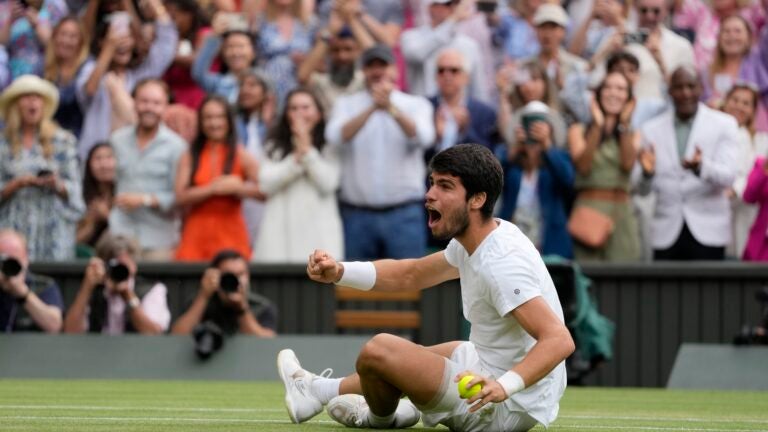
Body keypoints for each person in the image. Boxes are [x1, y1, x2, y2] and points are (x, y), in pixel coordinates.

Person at [277, 144, 574, 431]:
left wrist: (503, 386)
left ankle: (378, 419)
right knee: (437, 353)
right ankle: (315, 391)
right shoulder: (482, 238)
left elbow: (559, 340)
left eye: (445, 186)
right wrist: (340, 272)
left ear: (477, 200)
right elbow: (411, 275)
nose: (429, 195)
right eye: (432, 183)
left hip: (499, 406)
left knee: (379, 351)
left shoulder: (501, 265)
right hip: (493, 370)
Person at [325, 44, 435, 260]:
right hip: (357, 214)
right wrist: (373, 108)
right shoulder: (346, 104)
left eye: (382, 65)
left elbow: (424, 137)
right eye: (371, 66)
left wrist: (390, 109)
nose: (377, 71)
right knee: (355, 289)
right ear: (363, 71)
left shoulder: (415, 104)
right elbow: (335, 136)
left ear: (395, 70)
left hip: (404, 213)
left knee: (408, 286)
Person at [638, 66, 739, 261]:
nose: (685, 93)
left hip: (709, 232)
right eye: (679, 87)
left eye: (691, 86)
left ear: (701, 88)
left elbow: (729, 176)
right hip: (665, 234)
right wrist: (647, 174)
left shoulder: (724, 124)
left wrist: (701, 167)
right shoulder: (650, 129)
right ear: (669, 91)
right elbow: (642, 190)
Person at [77, 0, 178, 158]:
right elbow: (89, 90)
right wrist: (109, 48)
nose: (121, 42)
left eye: (127, 37)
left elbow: (166, 45)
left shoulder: (141, 74)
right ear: (101, 42)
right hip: (96, 158)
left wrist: (157, 9)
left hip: (131, 158)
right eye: (115, 37)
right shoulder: (91, 69)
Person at [0, 74, 84, 261]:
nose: (33, 102)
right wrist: (17, 184)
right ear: (16, 105)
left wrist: (56, 184)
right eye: (27, 97)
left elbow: (76, 192)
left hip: (52, 230)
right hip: (13, 226)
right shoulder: (2, 144)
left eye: (37, 97)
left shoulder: (63, 141)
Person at [254, 88, 343, 263]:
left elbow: (328, 183)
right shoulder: (274, 146)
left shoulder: (330, 147)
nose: (299, 113)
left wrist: (308, 152)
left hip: (319, 234)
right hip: (279, 236)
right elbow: (265, 184)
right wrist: (296, 159)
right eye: (293, 108)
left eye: (305, 107)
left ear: (318, 113)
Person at [175, 95, 262, 262]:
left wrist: (239, 189)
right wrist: (212, 189)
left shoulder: (240, 154)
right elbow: (179, 197)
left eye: (220, 117)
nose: (214, 123)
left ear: (229, 121)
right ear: (201, 122)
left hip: (231, 232)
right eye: (208, 118)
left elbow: (266, 190)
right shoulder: (190, 155)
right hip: (196, 232)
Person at [108, 78, 186, 261]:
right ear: (134, 102)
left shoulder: (177, 146)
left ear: (166, 106)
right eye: (144, 101)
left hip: (158, 239)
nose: (149, 108)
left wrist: (145, 200)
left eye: (156, 103)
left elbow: (180, 196)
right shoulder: (117, 140)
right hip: (121, 234)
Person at [568, 71, 641, 262]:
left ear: (629, 98)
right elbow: (583, 166)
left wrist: (623, 124)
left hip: (621, 212)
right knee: (587, 275)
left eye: (620, 89)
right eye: (607, 87)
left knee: (624, 278)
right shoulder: (578, 130)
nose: (613, 93)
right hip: (588, 209)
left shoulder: (633, 134)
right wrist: (598, 126)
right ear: (598, 94)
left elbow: (627, 164)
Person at [499, 103, 574, 258]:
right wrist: (514, 149)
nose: (534, 131)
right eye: (530, 126)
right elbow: (491, 178)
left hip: (548, 242)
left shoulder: (558, 157)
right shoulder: (510, 161)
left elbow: (568, 179)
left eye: (540, 126)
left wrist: (547, 146)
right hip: (513, 243)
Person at [63, 233, 171, 335]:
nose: (118, 271)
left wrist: (128, 296)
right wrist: (87, 288)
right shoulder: (94, 289)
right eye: (114, 266)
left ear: (133, 266)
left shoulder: (152, 289)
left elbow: (153, 333)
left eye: (123, 266)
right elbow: (71, 332)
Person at [171, 249, 277, 337]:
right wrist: (203, 296)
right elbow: (177, 336)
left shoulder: (262, 306)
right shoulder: (201, 302)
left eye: (240, 274)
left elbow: (265, 344)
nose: (236, 280)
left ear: (248, 275)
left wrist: (241, 308)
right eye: (229, 275)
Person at [401, 0, 488, 102]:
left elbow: (478, 91)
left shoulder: (469, 45)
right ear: (430, 7)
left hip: (459, 114)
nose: (453, 9)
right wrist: (452, 21)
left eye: (455, 4)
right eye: (447, 4)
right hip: (421, 113)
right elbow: (416, 55)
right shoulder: (411, 37)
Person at [297, 4, 372, 115]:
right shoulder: (321, 82)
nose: (342, 56)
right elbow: (302, 75)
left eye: (348, 49)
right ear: (329, 53)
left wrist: (352, 20)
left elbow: (375, 53)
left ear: (358, 52)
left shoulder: (364, 80)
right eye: (336, 50)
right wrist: (330, 31)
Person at [721, 83, 768, 257]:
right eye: (735, 100)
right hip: (716, 213)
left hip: (748, 213)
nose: (739, 106)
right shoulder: (713, 131)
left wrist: (735, 189)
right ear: (726, 101)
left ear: (753, 110)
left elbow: (754, 175)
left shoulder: (761, 141)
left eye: (746, 103)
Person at [702, 15, 768, 132]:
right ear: (719, 37)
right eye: (726, 31)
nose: (732, 36)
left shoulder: (758, 63)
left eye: (737, 31)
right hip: (719, 131)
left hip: (756, 132)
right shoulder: (707, 72)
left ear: (748, 37)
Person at [430, 49, 498, 152]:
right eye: (441, 70)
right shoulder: (425, 106)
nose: (447, 76)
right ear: (435, 76)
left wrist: (465, 132)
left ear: (467, 77)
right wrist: (437, 137)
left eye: (454, 70)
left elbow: (488, 157)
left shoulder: (485, 112)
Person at [0, 229, 63, 333]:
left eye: (13, 262)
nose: (8, 268)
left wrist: (23, 294)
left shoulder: (43, 286)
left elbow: (54, 326)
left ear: (26, 259)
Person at [255, 0, 316, 105]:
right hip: (269, 81)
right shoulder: (260, 20)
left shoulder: (310, 22)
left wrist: (305, 60)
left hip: (299, 81)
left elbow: (319, 58)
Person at [192, 15, 259, 104]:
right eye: (230, 47)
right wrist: (214, 36)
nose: (235, 53)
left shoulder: (261, 81)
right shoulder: (219, 83)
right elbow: (198, 73)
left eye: (241, 46)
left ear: (253, 52)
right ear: (223, 54)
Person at [44, 16, 91, 138]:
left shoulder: (87, 68)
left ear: (81, 42)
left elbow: (90, 91)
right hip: (49, 138)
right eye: (62, 34)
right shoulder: (43, 67)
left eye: (72, 36)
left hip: (81, 138)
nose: (66, 40)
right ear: (54, 37)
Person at [0, 0, 68, 79]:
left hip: (44, 73)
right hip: (11, 75)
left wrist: (37, 24)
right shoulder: (4, 5)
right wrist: (10, 21)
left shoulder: (55, 5)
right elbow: (1, 45)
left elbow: (57, 45)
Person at [76, 142, 116, 254]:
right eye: (98, 159)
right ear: (89, 164)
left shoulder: (124, 193)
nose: (104, 165)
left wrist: (107, 216)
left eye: (109, 157)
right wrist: (93, 221)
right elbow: (75, 241)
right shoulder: (80, 195)